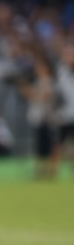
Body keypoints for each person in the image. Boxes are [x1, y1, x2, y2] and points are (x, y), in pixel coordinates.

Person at [19, 58, 55, 180]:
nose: (37, 70)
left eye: (40, 67)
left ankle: (49, 170)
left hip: (46, 118)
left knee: (46, 146)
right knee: (40, 146)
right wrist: (24, 88)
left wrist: (30, 92)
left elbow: (43, 97)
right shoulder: (39, 82)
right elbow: (31, 96)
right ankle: (41, 170)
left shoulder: (47, 81)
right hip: (38, 118)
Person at [53, 44, 74, 176]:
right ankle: (53, 170)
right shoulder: (61, 71)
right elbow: (59, 92)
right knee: (60, 142)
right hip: (66, 114)